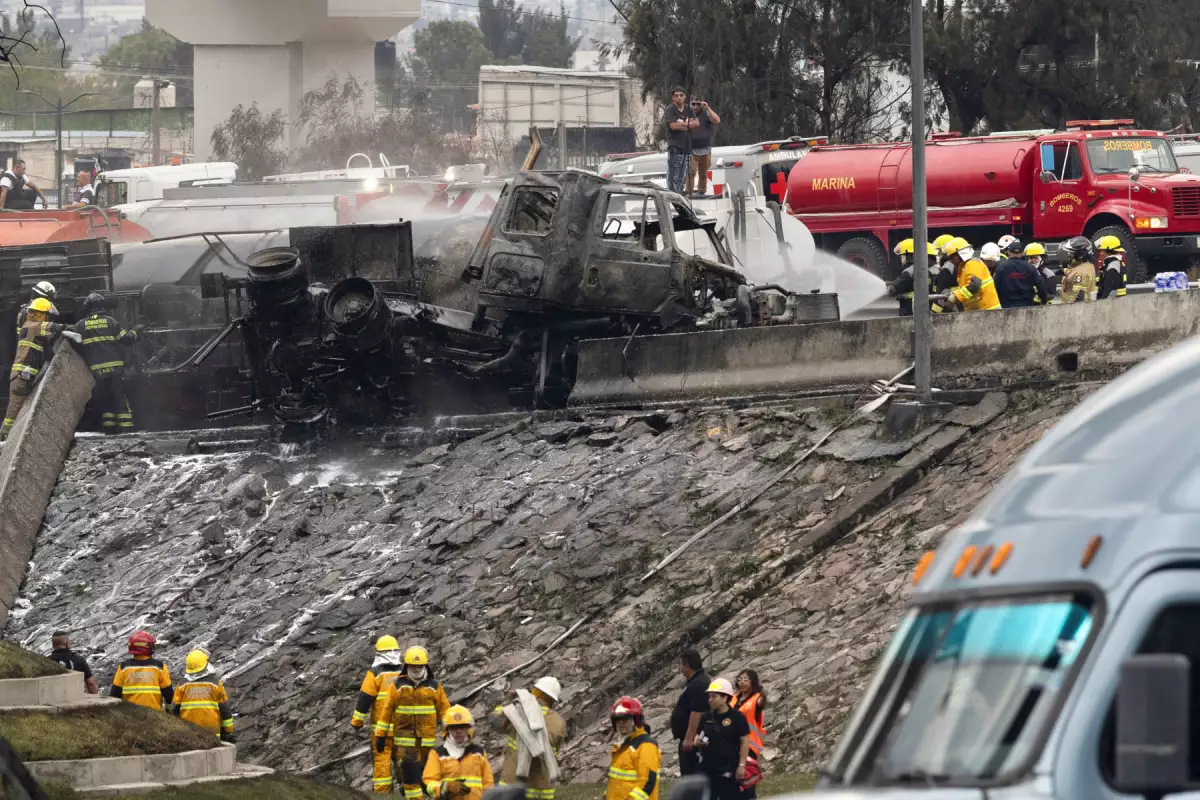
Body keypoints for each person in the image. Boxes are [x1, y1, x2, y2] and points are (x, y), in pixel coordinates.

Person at [374, 646, 451, 800]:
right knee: (410, 774)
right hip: (405, 742)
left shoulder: (435, 687)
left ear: (425, 666)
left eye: (420, 666)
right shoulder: (397, 686)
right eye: (413, 666)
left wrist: (448, 737)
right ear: (407, 666)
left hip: (427, 742)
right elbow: (386, 711)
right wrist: (380, 735)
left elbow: (445, 713)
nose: (416, 670)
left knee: (427, 773)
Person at [2, 297, 67, 441]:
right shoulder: (33, 325)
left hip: (22, 376)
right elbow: (54, 327)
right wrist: (74, 328)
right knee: (14, 410)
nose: (46, 318)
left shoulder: (30, 326)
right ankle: (4, 439)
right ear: (40, 313)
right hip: (21, 376)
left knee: (16, 409)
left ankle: (5, 437)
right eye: (46, 315)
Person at [492, 676, 566, 800]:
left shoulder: (517, 710)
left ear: (536, 691)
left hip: (513, 786)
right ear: (553, 700)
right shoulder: (559, 722)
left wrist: (510, 701)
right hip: (541, 791)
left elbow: (494, 722)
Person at [74, 292, 138, 433]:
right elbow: (126, 339)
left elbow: (75, 345)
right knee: (120, 399)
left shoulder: (80, 326)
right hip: (115, 369)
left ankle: (109, 429)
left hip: (97, 371)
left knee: (106, 400)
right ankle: (127, 430)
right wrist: (136, 332)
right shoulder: (111, 322)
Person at [353, 635, 406, 794]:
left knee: (382, 763)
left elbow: (365, 698)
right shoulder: (405, 672)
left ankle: (383, 795)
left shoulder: (375, 673)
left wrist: (357, 721)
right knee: (403, 759)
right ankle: (408, 789)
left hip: (381, 731)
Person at [423, 706, 494, 800]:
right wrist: (447, 787)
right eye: (454, 727)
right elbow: (429, 782)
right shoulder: (437, 754)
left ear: (468, 728)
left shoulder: (479, 753)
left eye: (462, 727)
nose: (458, 731)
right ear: (447, 729)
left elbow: (488, 784)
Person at [696, 678, 749, 800]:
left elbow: (744, 740)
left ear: (725, 698)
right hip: (708, 768)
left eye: (714, 697)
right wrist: (698, 741)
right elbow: (698, 735)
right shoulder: (706, 716)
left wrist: (742, 765)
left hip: (729, 767)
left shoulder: (737, 717)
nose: (710, 700)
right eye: (709, 697)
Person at [171, 648, 234, 742]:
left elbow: (175, 710)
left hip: (188, 732)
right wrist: (228, 731)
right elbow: (224, 709)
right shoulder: (215, 684)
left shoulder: (182, 685)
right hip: (212, 733)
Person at [606, 696, 660, 800]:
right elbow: (616, 782)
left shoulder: (646, 745)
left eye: (625, 719)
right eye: (617, 720)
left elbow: (647, 781)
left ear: (636, 720)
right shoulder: (622, 747)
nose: (621, 723)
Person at [933, 237, 1001, 313]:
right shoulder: (964, 267)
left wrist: (956, 296)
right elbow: (965, 288)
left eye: (952, 257)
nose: (951, 260)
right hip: (980, 311)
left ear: (960, 254)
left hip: (989, 311)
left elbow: (974, 286)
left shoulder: (972, 264)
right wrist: (953, 294)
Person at [110, 630, 173, 711]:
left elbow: (114, 694)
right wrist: (169, 712)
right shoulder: (159, 667)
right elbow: (169, 694)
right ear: (148, 647)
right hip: (155, 714)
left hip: (129, 714)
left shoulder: (124, 667)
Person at [670, 649, 710, 777]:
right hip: (689, 737)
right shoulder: (694, 681)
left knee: (691, 773)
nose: (680, 668)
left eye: (681, 664)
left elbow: (696, 712)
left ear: (686, 666)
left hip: (694, 739)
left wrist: (688, 738)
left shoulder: (699, 683)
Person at [991, 238, 1050, 308]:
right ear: (1022, 253)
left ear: (1009, 252)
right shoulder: (1030, 268)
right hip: (1027, 305)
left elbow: (995, 287)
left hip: (1007, 306)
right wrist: (1044, 300)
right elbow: (1041, 286)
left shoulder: (1001, 268)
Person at [886, 239, 938, 317]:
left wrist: (888, 286)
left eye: (903, 255)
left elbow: (894, 289)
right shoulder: (937, 270)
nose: (902, 259)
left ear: (911, 255)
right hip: (931, 311)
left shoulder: (911, 271)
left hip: (911, 312)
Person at [664, 88, 698, 195]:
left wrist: (682, 125)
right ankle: (673, 196)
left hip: (687, 146)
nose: (679, 97)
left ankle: (678, 195)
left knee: (683, 176)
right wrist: (688, 124)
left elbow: (696, 124)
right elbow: (673, 126)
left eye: (681, 95)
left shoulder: (688, 108)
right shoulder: (670, 109)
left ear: (685, 97)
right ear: (673, 97)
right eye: (676, 95)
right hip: (675, 146)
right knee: (675, 175)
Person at [685, 97, 721, 198]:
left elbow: (717, 120)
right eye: (693, 104)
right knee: (690, 171)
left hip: (705, 148)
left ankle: (702, 192)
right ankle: (689, 192)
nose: (695, 106)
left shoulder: (705, 114)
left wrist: (707, 108)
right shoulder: (688, 114)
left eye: (698, 104)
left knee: (703, 172)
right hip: (691, 149)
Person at [731, 670, 766, 773]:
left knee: (747, 776)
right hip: (732, 742)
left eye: (746, 680)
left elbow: (761, 702)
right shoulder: (733, 698)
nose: (742, 682)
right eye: (739, 679)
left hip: (749, 744)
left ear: (752, 682)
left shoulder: (756, 699)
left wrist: (764, 694)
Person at [1058, 236, 1097, 304]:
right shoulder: (1086, 265)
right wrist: (1065, 270)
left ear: (1080, 255)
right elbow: (1074, 272)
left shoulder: (1080, 273)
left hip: (1073, 309)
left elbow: (1078, 297)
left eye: (1071, 253)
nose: (1069, 255)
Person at [1094, 235, 1128, 300]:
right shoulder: (1115, 263)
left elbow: (1108, 293)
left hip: (1112, 306)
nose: (1101, 253)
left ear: (1109, 250)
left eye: (1102, 250)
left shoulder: (1112, 267)